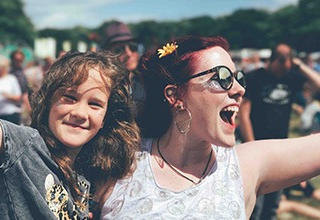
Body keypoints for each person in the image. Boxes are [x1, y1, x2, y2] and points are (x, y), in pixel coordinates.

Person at [93, 36, 320, 219]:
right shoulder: (120, 161)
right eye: (222, 77)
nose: (239, 88)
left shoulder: (243, 166)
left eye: (238, 77)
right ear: (175, 95)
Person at [0, 50, 140, 219]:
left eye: (95, 104)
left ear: (104, 119)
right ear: (48, 101)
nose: (80, 113)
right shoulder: (24, 147)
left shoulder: (85, 176)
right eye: (70, 97)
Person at [238, 43, 320, 220]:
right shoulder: (255, 77)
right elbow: (243, 114)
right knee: (254, 207)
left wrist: (300, 66)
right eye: (283, 61)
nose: (285, 67)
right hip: (257, 146)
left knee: (271, 207)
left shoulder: (291, 77)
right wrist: (252, 145)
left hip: (280, 148)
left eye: (289, 62)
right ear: (273, 60)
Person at [101, 21, 146, 117]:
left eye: (133, 47)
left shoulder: (146, 80)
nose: (129, 54)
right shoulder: (103, 85)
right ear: (107, 54)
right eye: (119, 50)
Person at [10, 49, 31, 124]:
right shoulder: (8, 72)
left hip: (19, 106)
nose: (19, 62)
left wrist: (28, 106)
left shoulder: (22, 73)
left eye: (21, 60)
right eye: (17, 60)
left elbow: (24, 91)